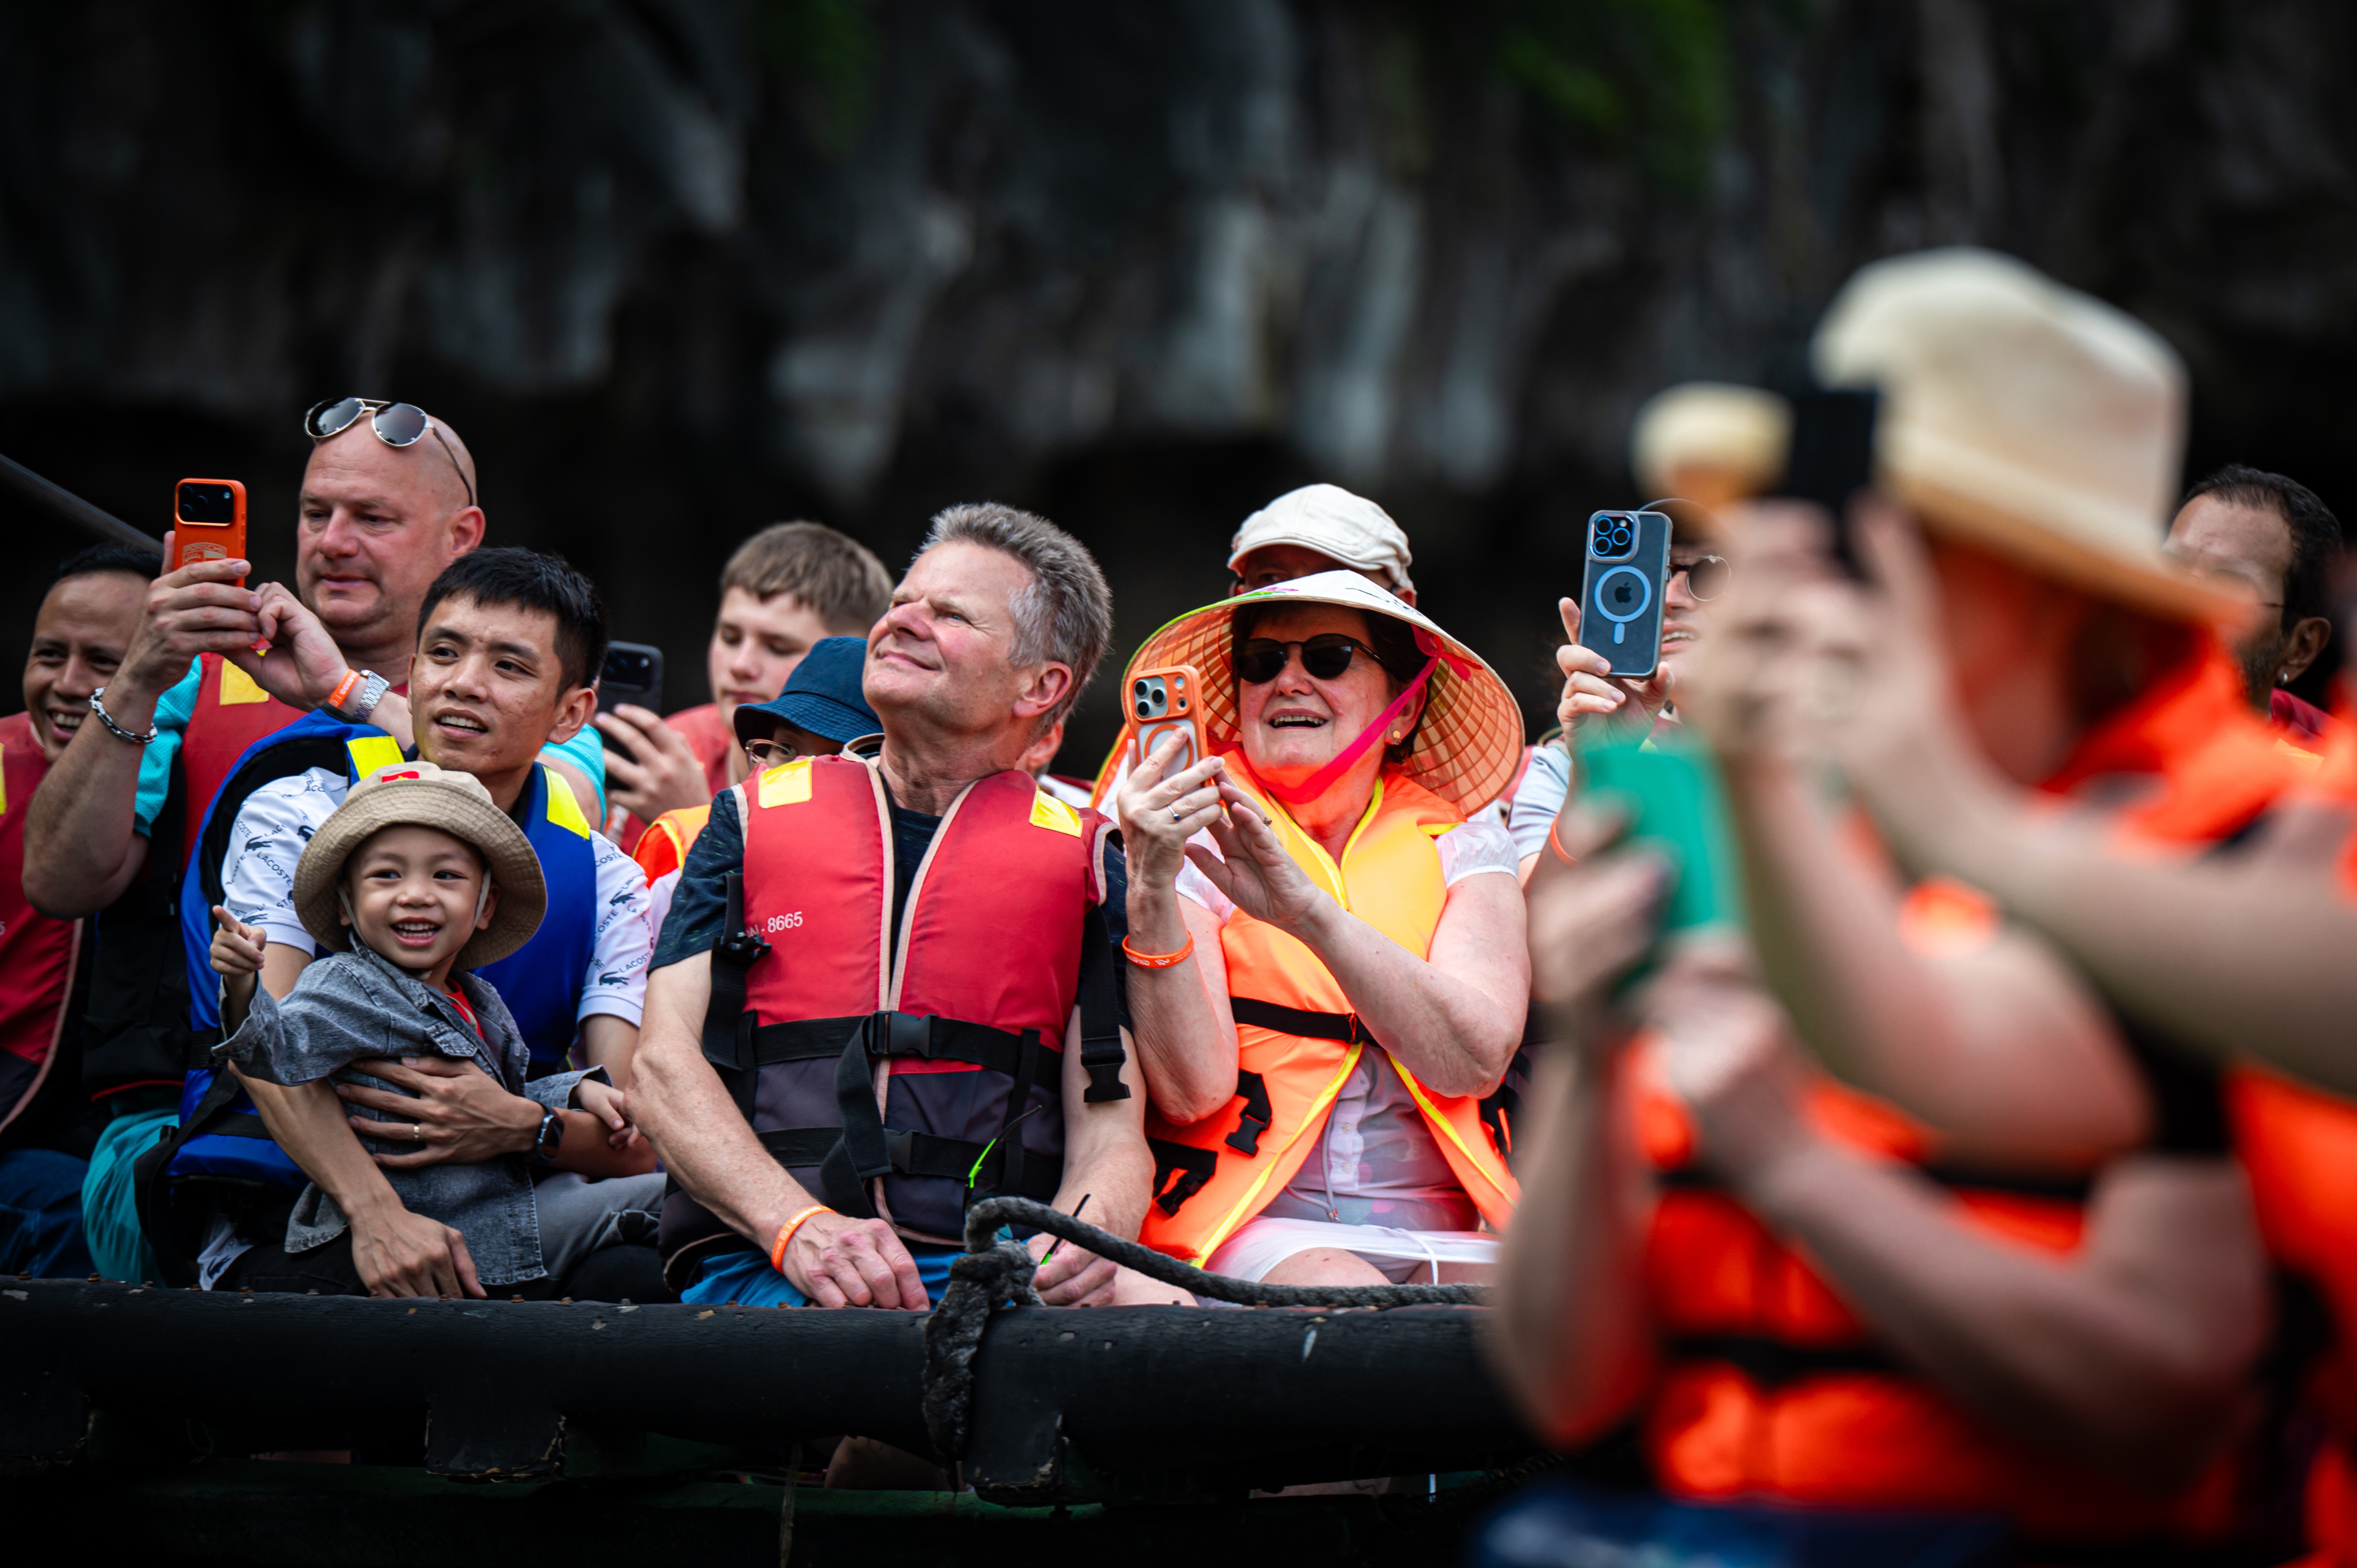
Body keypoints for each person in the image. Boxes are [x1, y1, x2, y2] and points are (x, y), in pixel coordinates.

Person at [1498, 249, 2282, 1556]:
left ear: (2049, 590)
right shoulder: (1756, 831)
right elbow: (1563, 1387)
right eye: (1790, 539)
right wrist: (1584, 1062)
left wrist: (1796, 1170)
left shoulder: (2230, 861)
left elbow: (2162, 1407)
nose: (1800, 590)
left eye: (1874, 542)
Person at [631, 502, 1170, 1315]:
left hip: (989, 1270)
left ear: (1042, 685)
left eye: (949, 614)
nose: (902, 622)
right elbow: (663, 1067)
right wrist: (797, 1227)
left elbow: (1112, 1134)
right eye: (900, 602)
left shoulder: (1091, 861)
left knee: (1178, 1326)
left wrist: (1077, 1238)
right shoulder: (744, 821)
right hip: (770, 1259)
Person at [136, 549, 659, 1298]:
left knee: (640, 1268)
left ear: (571, 711)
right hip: (295, 1210)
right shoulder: (298, 811)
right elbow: (266, 1048)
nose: (463, 682)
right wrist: (377, 1213)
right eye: (444, 653)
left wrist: (519, 1123)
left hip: (499, 1202)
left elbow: (629, 1140)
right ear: (411, 673)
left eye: (509, 666)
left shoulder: (610, 881)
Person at [1115, 569, 1528, 1285]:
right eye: (1261, 662)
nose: (1288, 681)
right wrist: (1149, 882)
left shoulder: (1465, 840)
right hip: (1248, 1223)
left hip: (1454, 1228)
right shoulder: (1187, 832)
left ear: (1403, 709)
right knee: (1365, 1314)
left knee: (1548, 1329)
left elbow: (1474, 1061)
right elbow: (1192, 1093)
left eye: (1329, 658)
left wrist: (1309, 915)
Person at [207, 761, 645, 1298]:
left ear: (485, 906)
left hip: (494, 1213)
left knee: (656, 1209)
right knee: (666, 1200)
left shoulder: (479, 1000)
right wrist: (242, 987)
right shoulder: (343, 983)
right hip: (439, 1229)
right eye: (387, 875)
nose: (416, 894)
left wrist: (575, 1090)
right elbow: (275, 1052)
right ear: (345, 904)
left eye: (446, 876)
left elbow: (496, 1098)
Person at [0, 544, 156, 1278]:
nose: (66, 685)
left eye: (103, 662)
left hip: (122, 1122)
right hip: (21, 1143)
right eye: (48, 655)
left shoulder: (195, 774)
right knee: (77, 1216)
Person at [1088, 485, 1417, 806]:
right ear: (1239, 598)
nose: (1300, 594)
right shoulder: (1160, 775)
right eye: (1272, 578)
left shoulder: (1443, 830)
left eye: (1330, 656)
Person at [594, 521, 892, 839]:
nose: (740, 665)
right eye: (730, 637)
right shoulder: (665, 755)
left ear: (860, 655)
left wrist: (692, 824)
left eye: (779, 648)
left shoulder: (891, 781)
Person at [1509, 496, 1734, 879]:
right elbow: (1531, 917)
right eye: (1655, 575)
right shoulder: (1566, 765)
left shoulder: (1821, 749)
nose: (1670, 599)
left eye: (1707, 573)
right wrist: (1599, 768)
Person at [630, 634, 881, 888]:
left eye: (837, 757)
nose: (799, 774)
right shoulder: (679, 841)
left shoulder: (899, 876)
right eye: (786, 749)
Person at [2163, 464, 2341, 744]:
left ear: (2301, 648)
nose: (2181, 608)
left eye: (2225, 589)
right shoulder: (2089, 719)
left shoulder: (2327, 767)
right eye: (2169, 573)